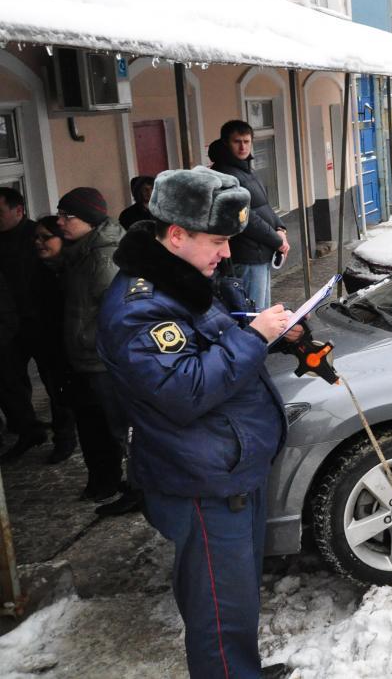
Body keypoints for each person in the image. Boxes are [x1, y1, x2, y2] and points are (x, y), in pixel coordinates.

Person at [97, 167, 297, 678]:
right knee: (218, 605)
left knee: (235, 594)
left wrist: (276, 334)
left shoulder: (185, 279)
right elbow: (184, 391)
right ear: (176, 235)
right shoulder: (139, 308)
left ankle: (240, 670)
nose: (226, 253)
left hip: (229, 466)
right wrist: (254, 337)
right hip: (202, 480)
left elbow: (216, 336)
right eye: (217, 241)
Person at [56, 187, 127, 507]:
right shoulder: (80, 250)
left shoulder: (103, 257)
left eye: (66, 215)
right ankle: (107, 482)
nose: (60, 221)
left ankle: (134, 487)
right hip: (85, 356)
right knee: (95, 425)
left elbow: (118, 314)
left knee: (116, 428)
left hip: (102, 359)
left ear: (88, 219)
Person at [208, 120, 289, 310]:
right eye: (237, 141)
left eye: (246, 141)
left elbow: (264, 206)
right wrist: (276, 240)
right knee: (254, 312)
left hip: (261, 252)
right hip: (246, 255)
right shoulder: (223, 174)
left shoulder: (246, 169)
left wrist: (280, 228)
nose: (243, 147)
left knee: (262, 309)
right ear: (226, 143)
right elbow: (246, 217)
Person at [0, 187, 50, 460]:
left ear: (18, 210)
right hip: (8, 324)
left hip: (40, 320)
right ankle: (27, 430)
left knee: (53, 381)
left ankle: (64, 436)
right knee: (10, 382)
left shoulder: (37, 236)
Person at [30, 216, 77, 463]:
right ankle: (64, 440)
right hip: (49, 344)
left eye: (46, 237)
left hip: (77, 345)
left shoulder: (75, 267)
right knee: (58, 396)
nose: (39, 242)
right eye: (36, 238)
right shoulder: (36, 270)